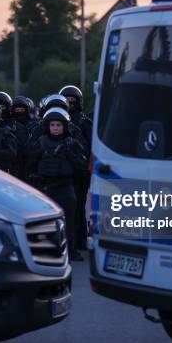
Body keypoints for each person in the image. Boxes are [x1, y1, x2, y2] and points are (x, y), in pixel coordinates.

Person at [28, 107, 87, 261]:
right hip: (45, 187)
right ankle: (42, 250)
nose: (55, 128)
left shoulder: (71, 143)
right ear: (47, 126)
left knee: (69, 221)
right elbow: (30, 162)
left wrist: (70, 153)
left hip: (65, 186)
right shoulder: (41, 142)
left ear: (65, 126)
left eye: (59, 125)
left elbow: (82, 165)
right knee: (42, 222)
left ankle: (71, 250)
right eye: (53, 125)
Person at [60, 85, 93, 250]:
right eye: (67, 101)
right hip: (63, 170)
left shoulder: (84, 122)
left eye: (73, 101)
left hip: (80, 170)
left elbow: (91, 147)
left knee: (79, 206)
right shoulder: (56, 120)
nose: (70, 103)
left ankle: (80, 240)